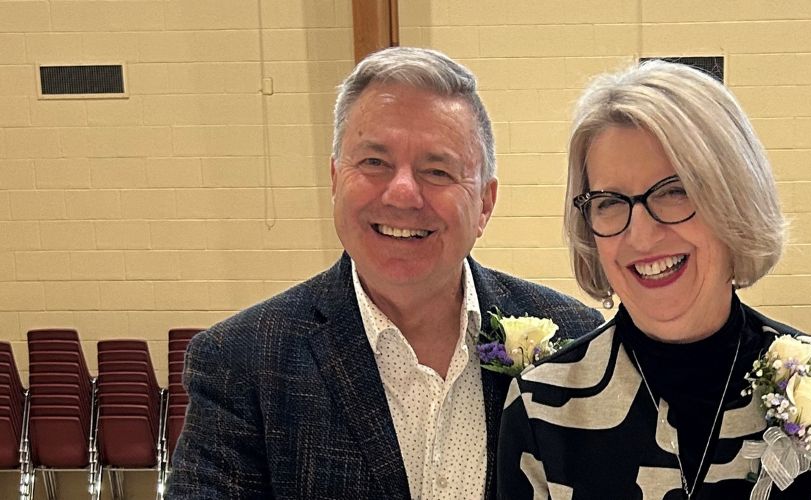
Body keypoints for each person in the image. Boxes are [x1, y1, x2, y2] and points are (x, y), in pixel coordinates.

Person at [167, 47, 603, 499]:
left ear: (485, 204)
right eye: (374, 163)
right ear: (336, 179)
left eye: (437, 170)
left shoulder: (577, 343)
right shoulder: (241, 362)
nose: (401, 194)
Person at [497, 61, 811, 499]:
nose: (641, 235)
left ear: (735, 200)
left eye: (674, 191)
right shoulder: (542, 409)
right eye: (610, 201)